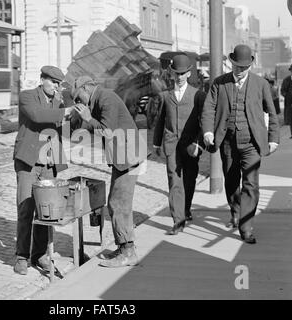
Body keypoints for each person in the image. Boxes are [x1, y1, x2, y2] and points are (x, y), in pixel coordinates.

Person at [201, 44, 280, 244]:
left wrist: (273, 139)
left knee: (251, 185)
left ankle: (246, 227)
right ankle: (235, 211)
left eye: (244, 67)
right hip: (227, 141)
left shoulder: (261, 84)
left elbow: (272, 113)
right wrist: (208, 131)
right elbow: (208, 108)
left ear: (250, 66)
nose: (240, 70)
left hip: (252, 142)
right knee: (231, 180)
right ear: (231, 63)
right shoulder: (219, 83)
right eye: (237, 66)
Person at [71, 76, 146, 268]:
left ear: (87, 88)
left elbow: (107, 131)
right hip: (124, 157)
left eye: (78, 97)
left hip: (129, 156)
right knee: (117, 201)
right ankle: (124, 248)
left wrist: (88, 118)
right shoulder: (99, 99)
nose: (78, 102)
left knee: (118, 203)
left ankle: (128, 251)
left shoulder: (106, 98)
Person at [13, 66, 74, 275]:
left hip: (48, 164)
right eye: (53, 82)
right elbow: (38, 116)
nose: (56, 87)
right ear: (42, 79)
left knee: (45, 211)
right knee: (25, 208)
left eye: (59, 84)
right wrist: (64, 112)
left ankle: (39, 255)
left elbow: (64, 130)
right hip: (28, 163)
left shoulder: (59, 102)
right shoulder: (27, 96)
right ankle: (21, 256)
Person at [153, 54, 206, 235]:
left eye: (183, 73)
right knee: (174, 182)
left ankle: (186, 208)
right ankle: (178, 220)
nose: (179, 77)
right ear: (171, 74)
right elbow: (161, 120)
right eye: (176, 73)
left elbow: (203, 121)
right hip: (171, 145)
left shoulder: (198, 95)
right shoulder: (165, 96)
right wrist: (155, 143)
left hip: (191, 146)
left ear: (189, 74)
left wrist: (199, 144)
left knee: (189, 180)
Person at [280, 64, 292, 137]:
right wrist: (287, 96)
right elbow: (282, 90)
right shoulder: (286, 80)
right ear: (290, 71)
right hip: (290, 103)